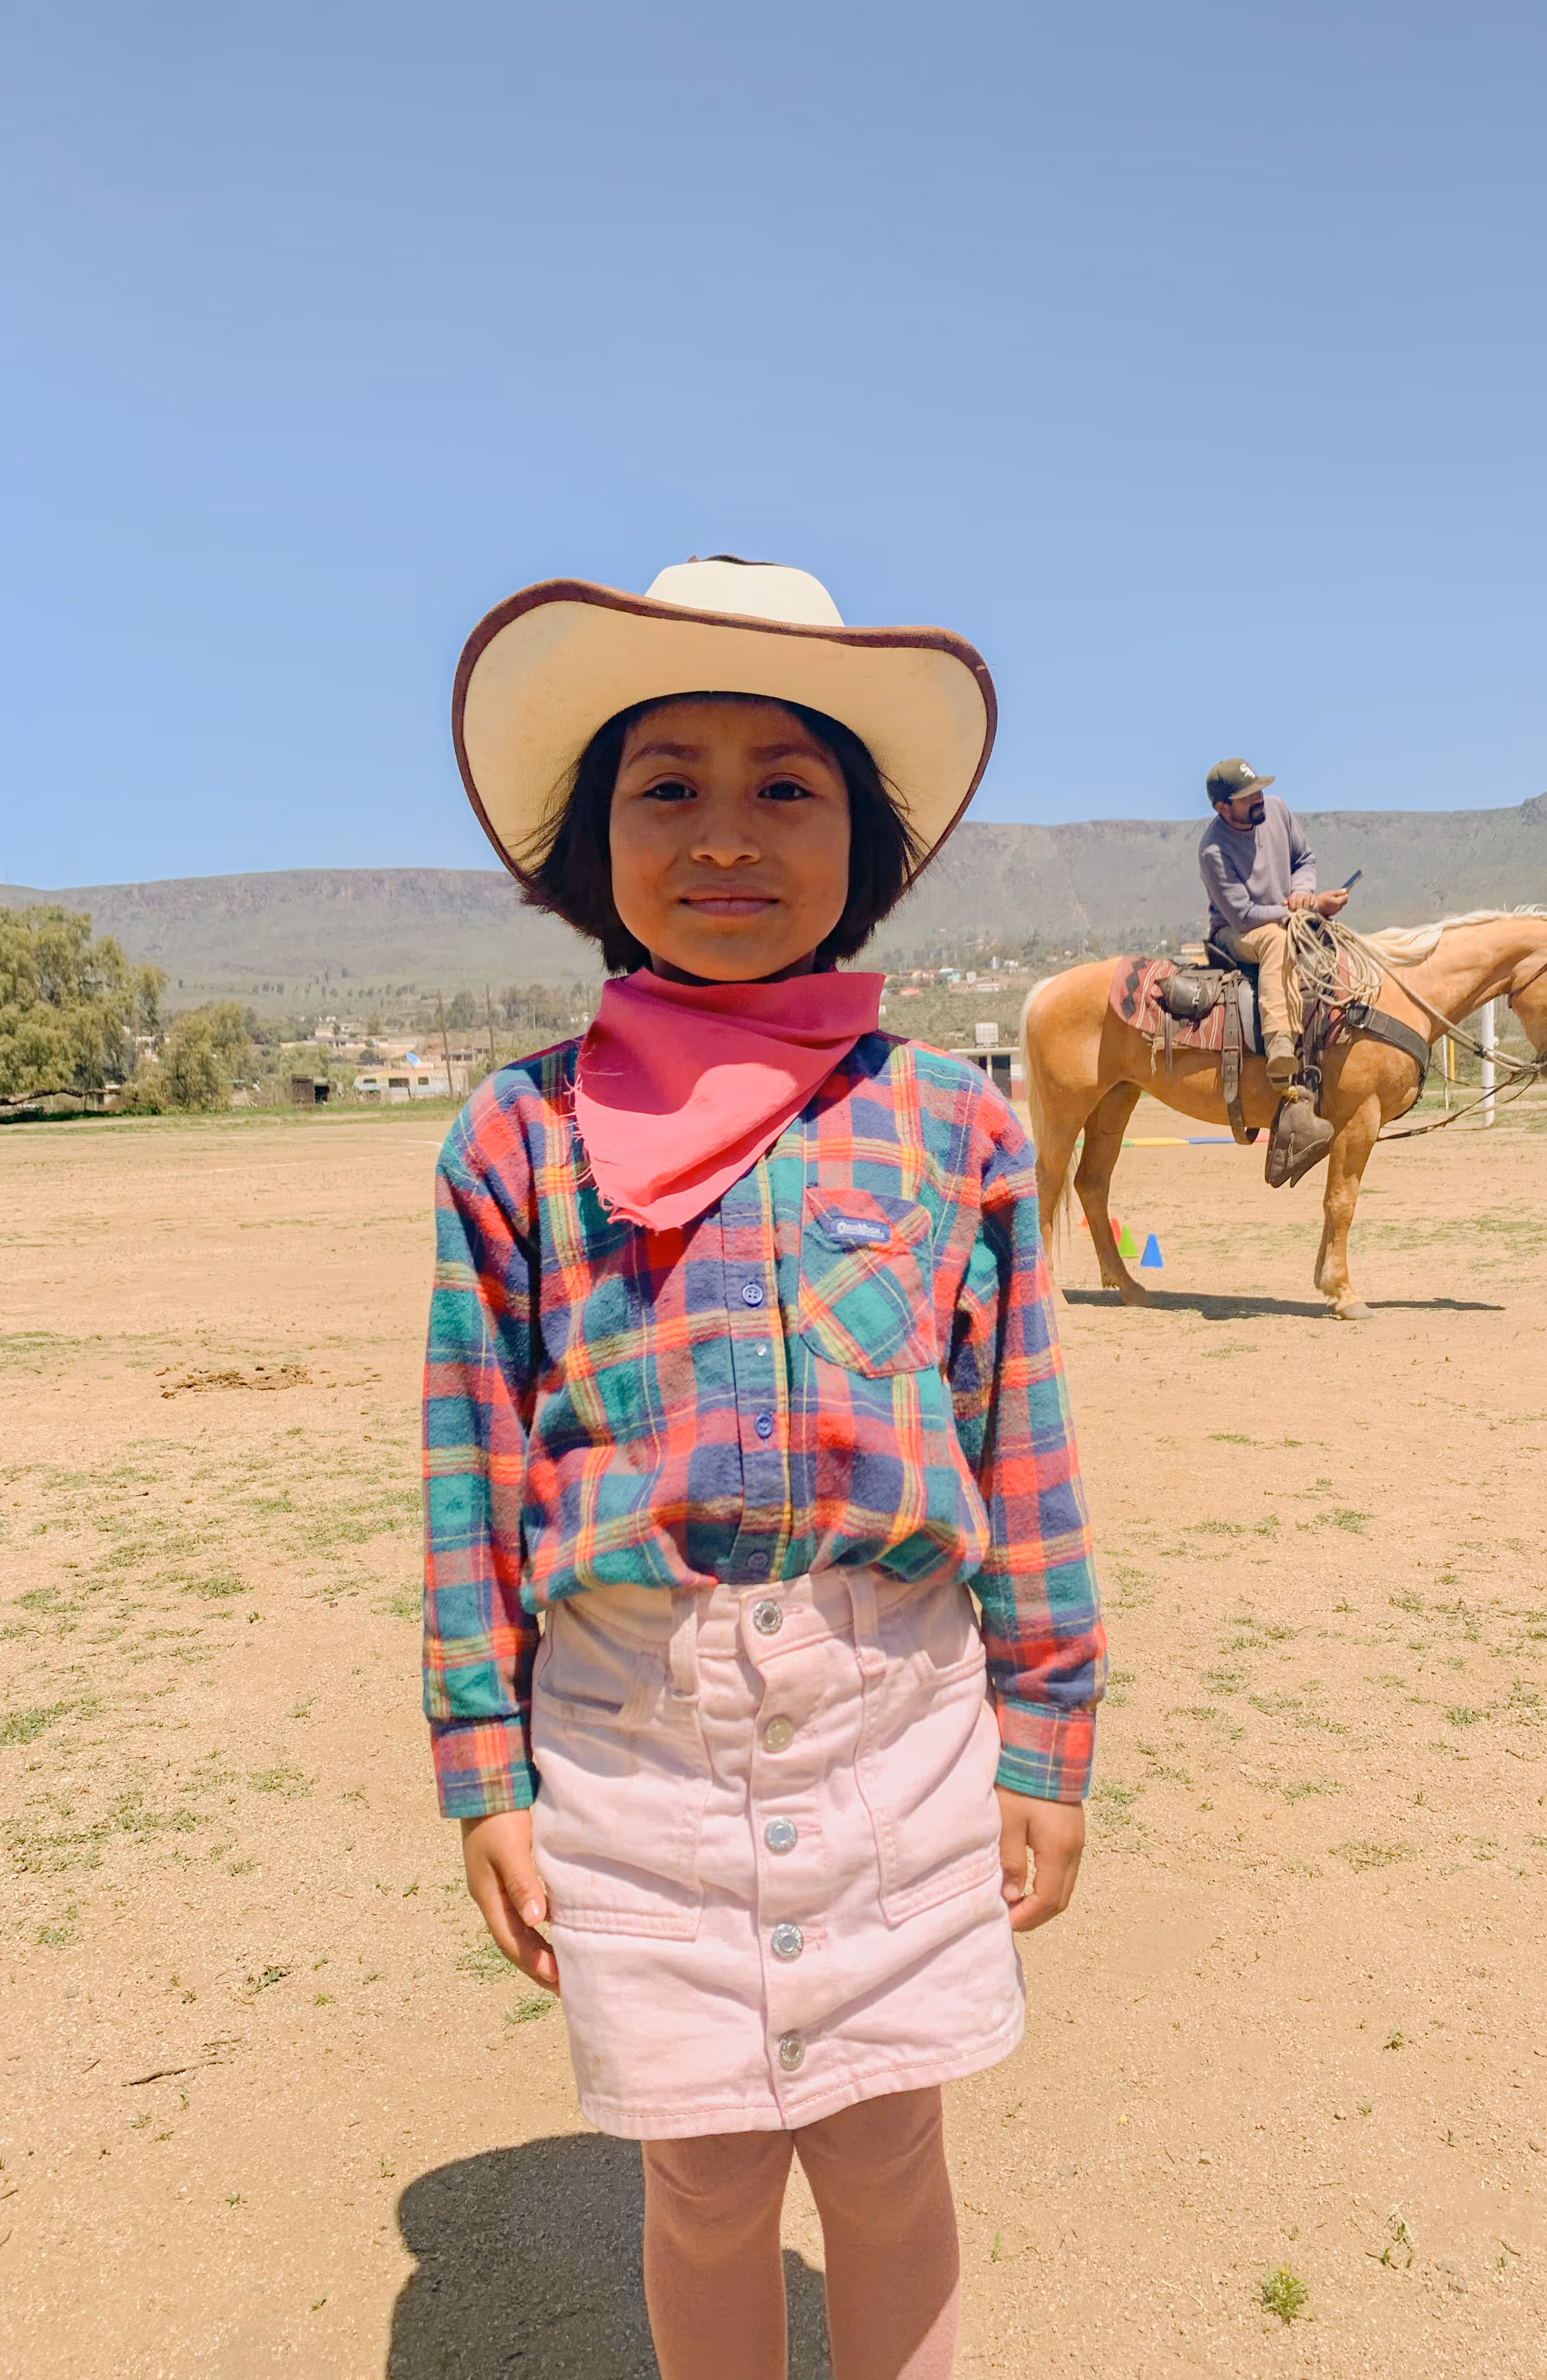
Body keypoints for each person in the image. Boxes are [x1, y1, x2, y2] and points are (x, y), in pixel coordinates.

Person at [425, 557, 1105, 2380]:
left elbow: (1018, 1445)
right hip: (630, 1737)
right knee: (708, 2177)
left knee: (891, 2148)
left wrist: (1049, 1731)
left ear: (861, 847)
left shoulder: (956, 1125)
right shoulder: (517, 1135)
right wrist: (483, 1763)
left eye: (785, 786)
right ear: (595, 844)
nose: (728, 835)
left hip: (899, 1713)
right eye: (670, 786)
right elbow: (470, 1472)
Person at [1198, 757, 1350, 1089]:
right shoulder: (1213, 850)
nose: (1259, 798)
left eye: (1259, 790)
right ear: (1223, 808)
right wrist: (1304, 910)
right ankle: (1279, 1043)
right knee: (1275, 942)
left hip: (1286, 918)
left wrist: (1302, 893)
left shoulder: (1278, 810)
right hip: (1235, 933)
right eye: (1248, 796)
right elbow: (1243, 915)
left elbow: (1304, 860)